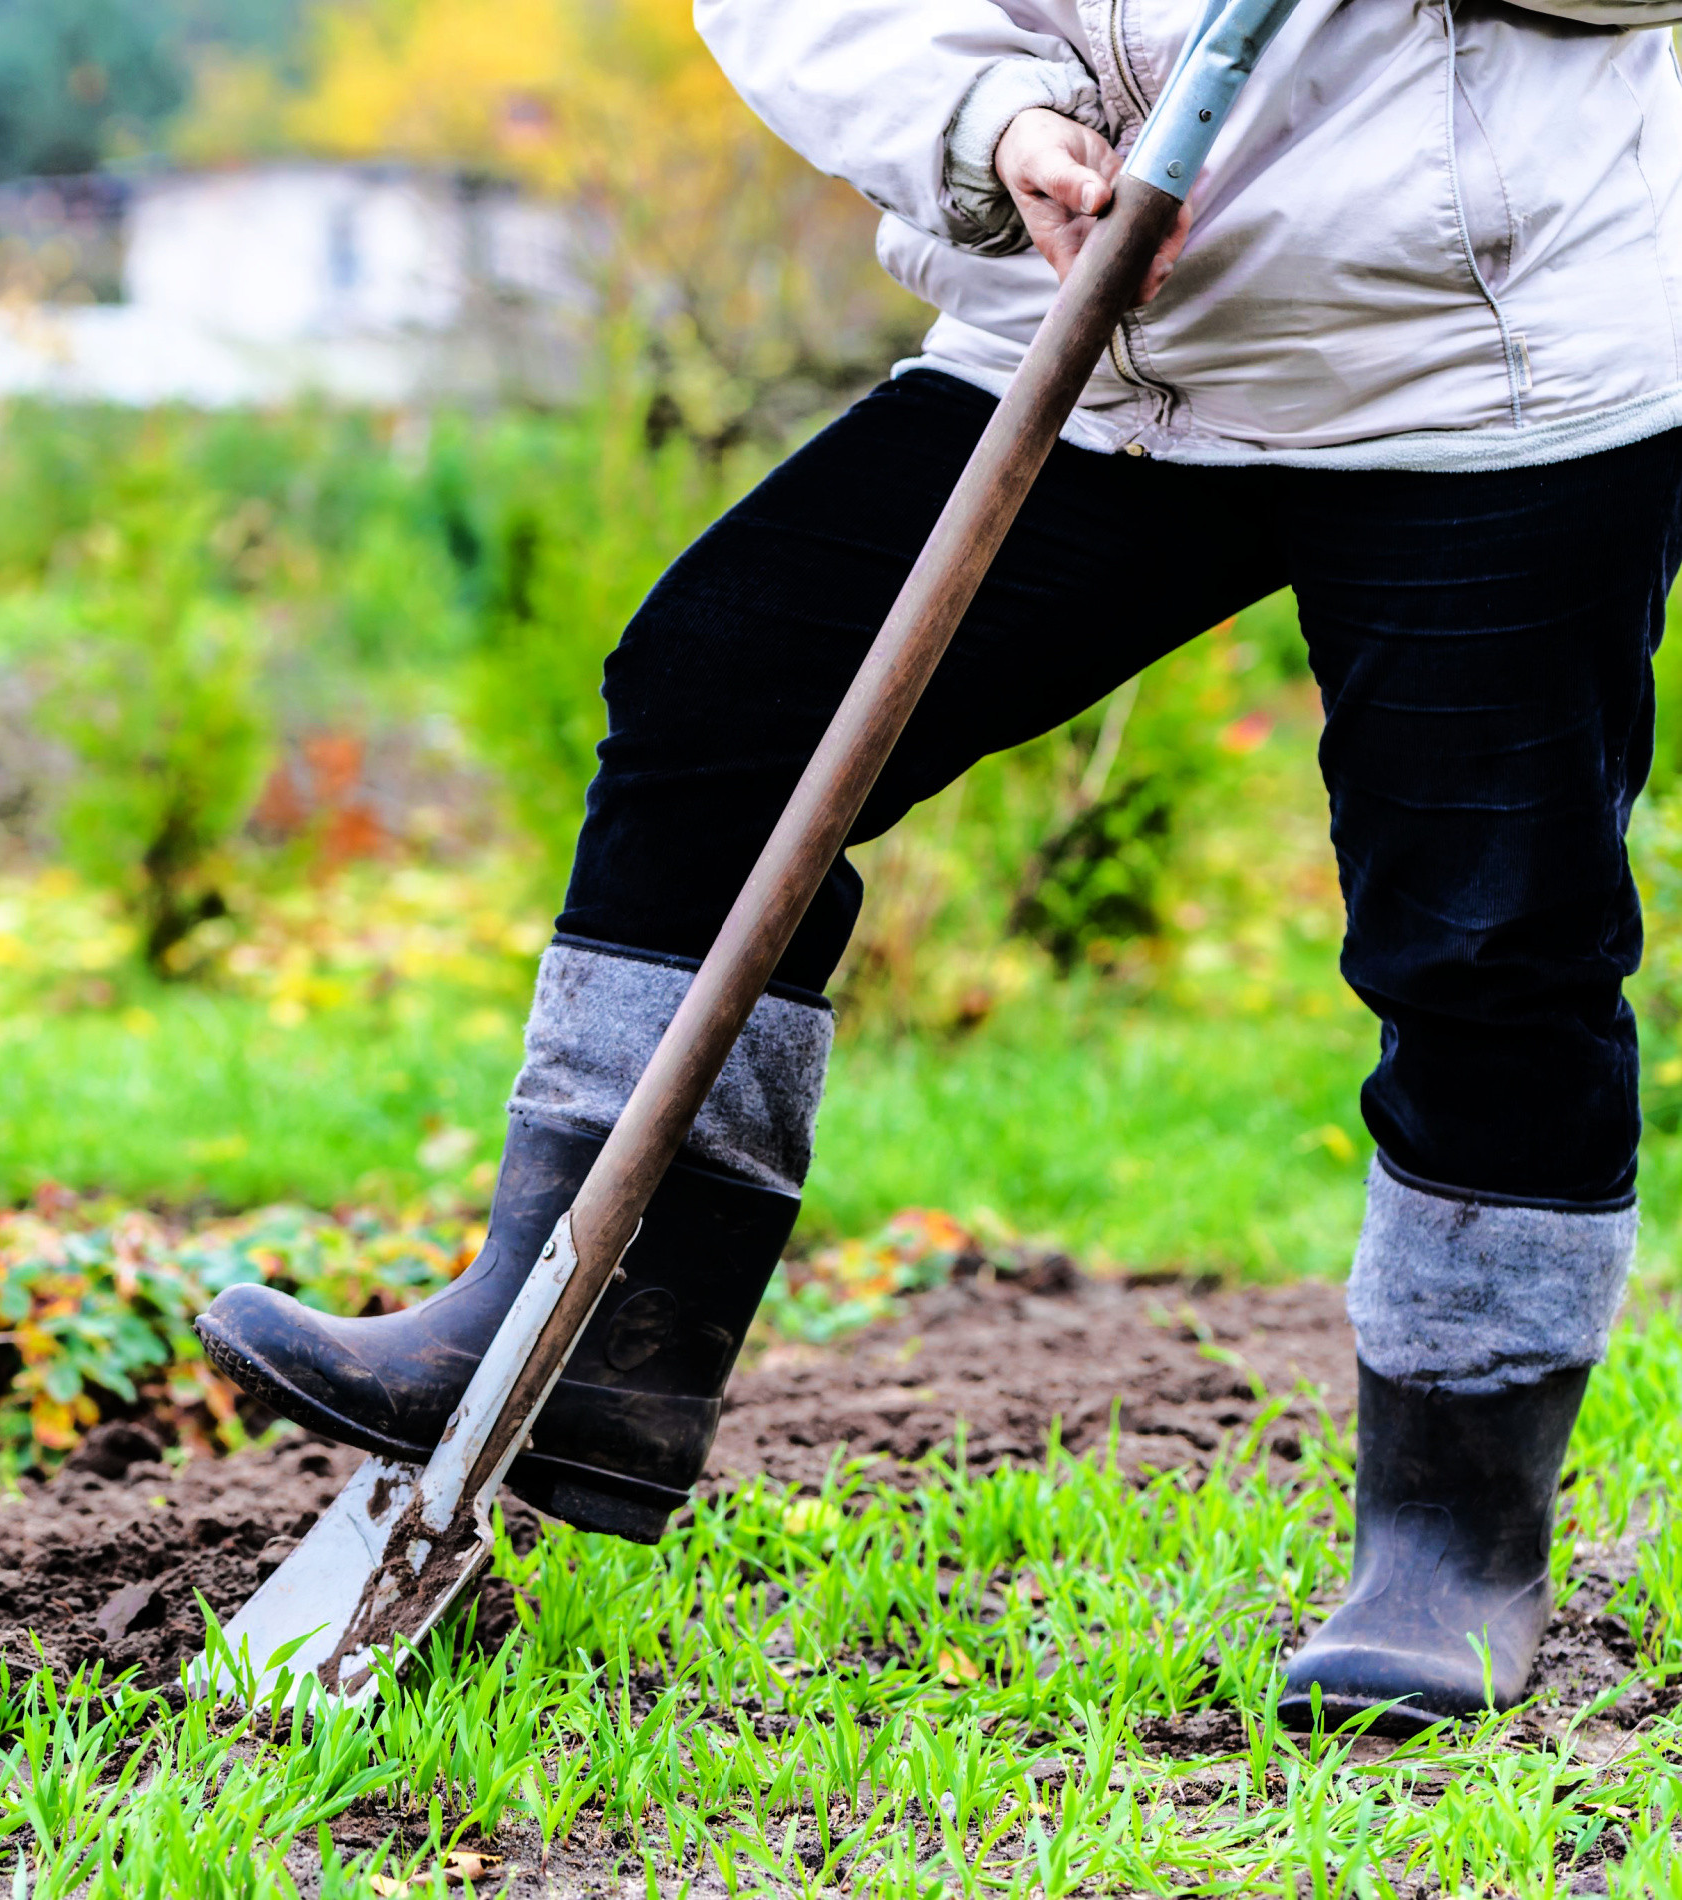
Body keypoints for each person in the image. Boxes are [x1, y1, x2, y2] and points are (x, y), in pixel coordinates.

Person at [198, 0, 1682, 1733]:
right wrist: (986, 128)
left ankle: (1453, 1533)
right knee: (729, 701)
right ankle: (593, 1332)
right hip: (1092, 326)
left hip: (1479, 369)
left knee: (1487, 929)